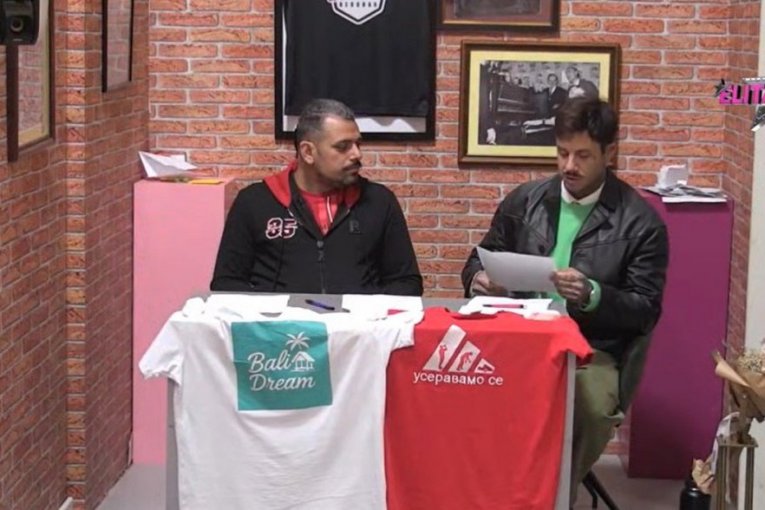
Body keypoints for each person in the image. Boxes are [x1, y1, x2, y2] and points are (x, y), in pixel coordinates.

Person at [461, 97, 669, 503]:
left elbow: (645, 311)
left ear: (609, 153)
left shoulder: (641, 224)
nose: (569, 166)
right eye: (562, 153)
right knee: (461, 385)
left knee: (589, 408)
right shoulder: (525, 201)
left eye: (583, 156)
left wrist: (593, 295)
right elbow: (478, 259)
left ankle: (554, 495)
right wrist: (478, 280)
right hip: (517, 338)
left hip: (590, 349)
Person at [211, 98, 423, 296]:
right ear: (308, 152)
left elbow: (407, 282)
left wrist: (367, 312)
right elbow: (226, 284)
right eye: (343, 147)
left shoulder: (380, 201)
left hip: (359, 323)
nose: (356, 154)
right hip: (279, 323)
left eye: (358, 144)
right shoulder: (254, 202)